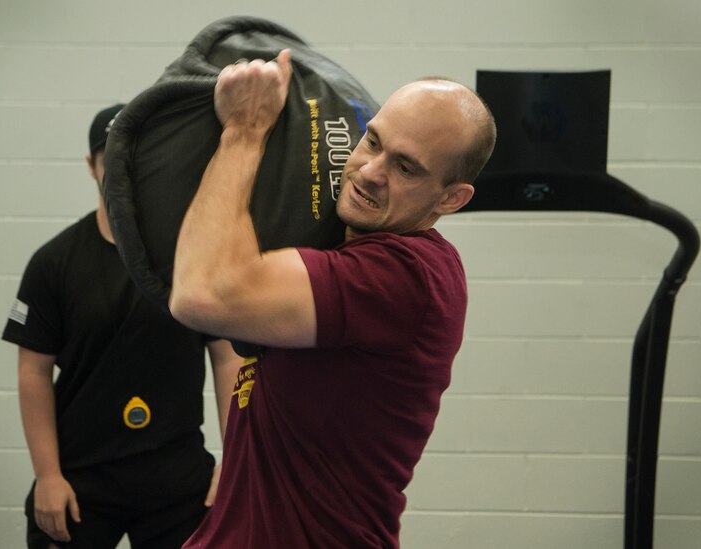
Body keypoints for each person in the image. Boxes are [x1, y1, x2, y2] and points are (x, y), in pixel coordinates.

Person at [169, 49, 496, 548]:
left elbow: (201, 294)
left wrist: (244, 131)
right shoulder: (343, 248)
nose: (368, 171)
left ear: (451, 198)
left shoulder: (406, 276)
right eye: (373, 142)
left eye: (406, 168)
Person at [2, 104, 240, 549]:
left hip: (177, 478)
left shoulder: (188, 258)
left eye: (133, 156)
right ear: (91, 166)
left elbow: (228, 357)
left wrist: (233, 462)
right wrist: (48, 475)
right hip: (81, 479)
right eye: (109, 158)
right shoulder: (54, 262)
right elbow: (32, 373)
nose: (121, 169)